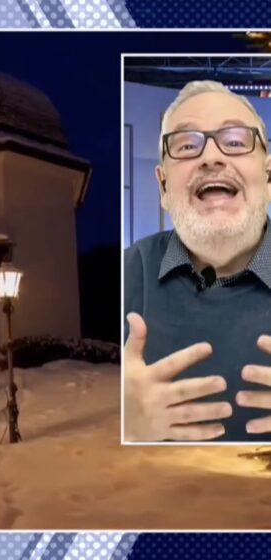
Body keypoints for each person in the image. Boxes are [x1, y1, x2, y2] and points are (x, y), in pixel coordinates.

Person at [124, 80, 271, 443]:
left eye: (236, 141)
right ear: (162, 187)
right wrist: (123, 427)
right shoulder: (128, 273)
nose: (211, 156)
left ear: (269, 177)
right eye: (187, 145)